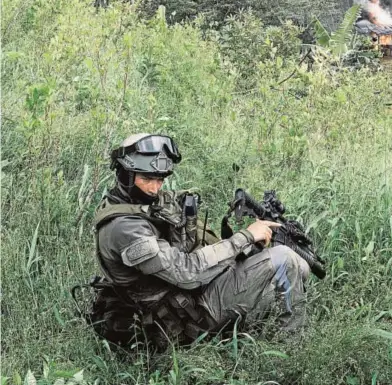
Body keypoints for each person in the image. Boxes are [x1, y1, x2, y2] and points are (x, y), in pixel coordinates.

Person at [92, 133, 310, 349]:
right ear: (125, 175)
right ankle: (289, 350)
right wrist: (245, 237)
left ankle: (260, 331)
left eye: (159, 179)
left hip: (191, 294)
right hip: (184, 316)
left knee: (300, 267)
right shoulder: (124, 228)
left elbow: (191, 248)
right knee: (284, 260)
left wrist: (245, 247)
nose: (154, 188)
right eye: (146, 179)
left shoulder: (143, 204)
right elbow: (186, 272)